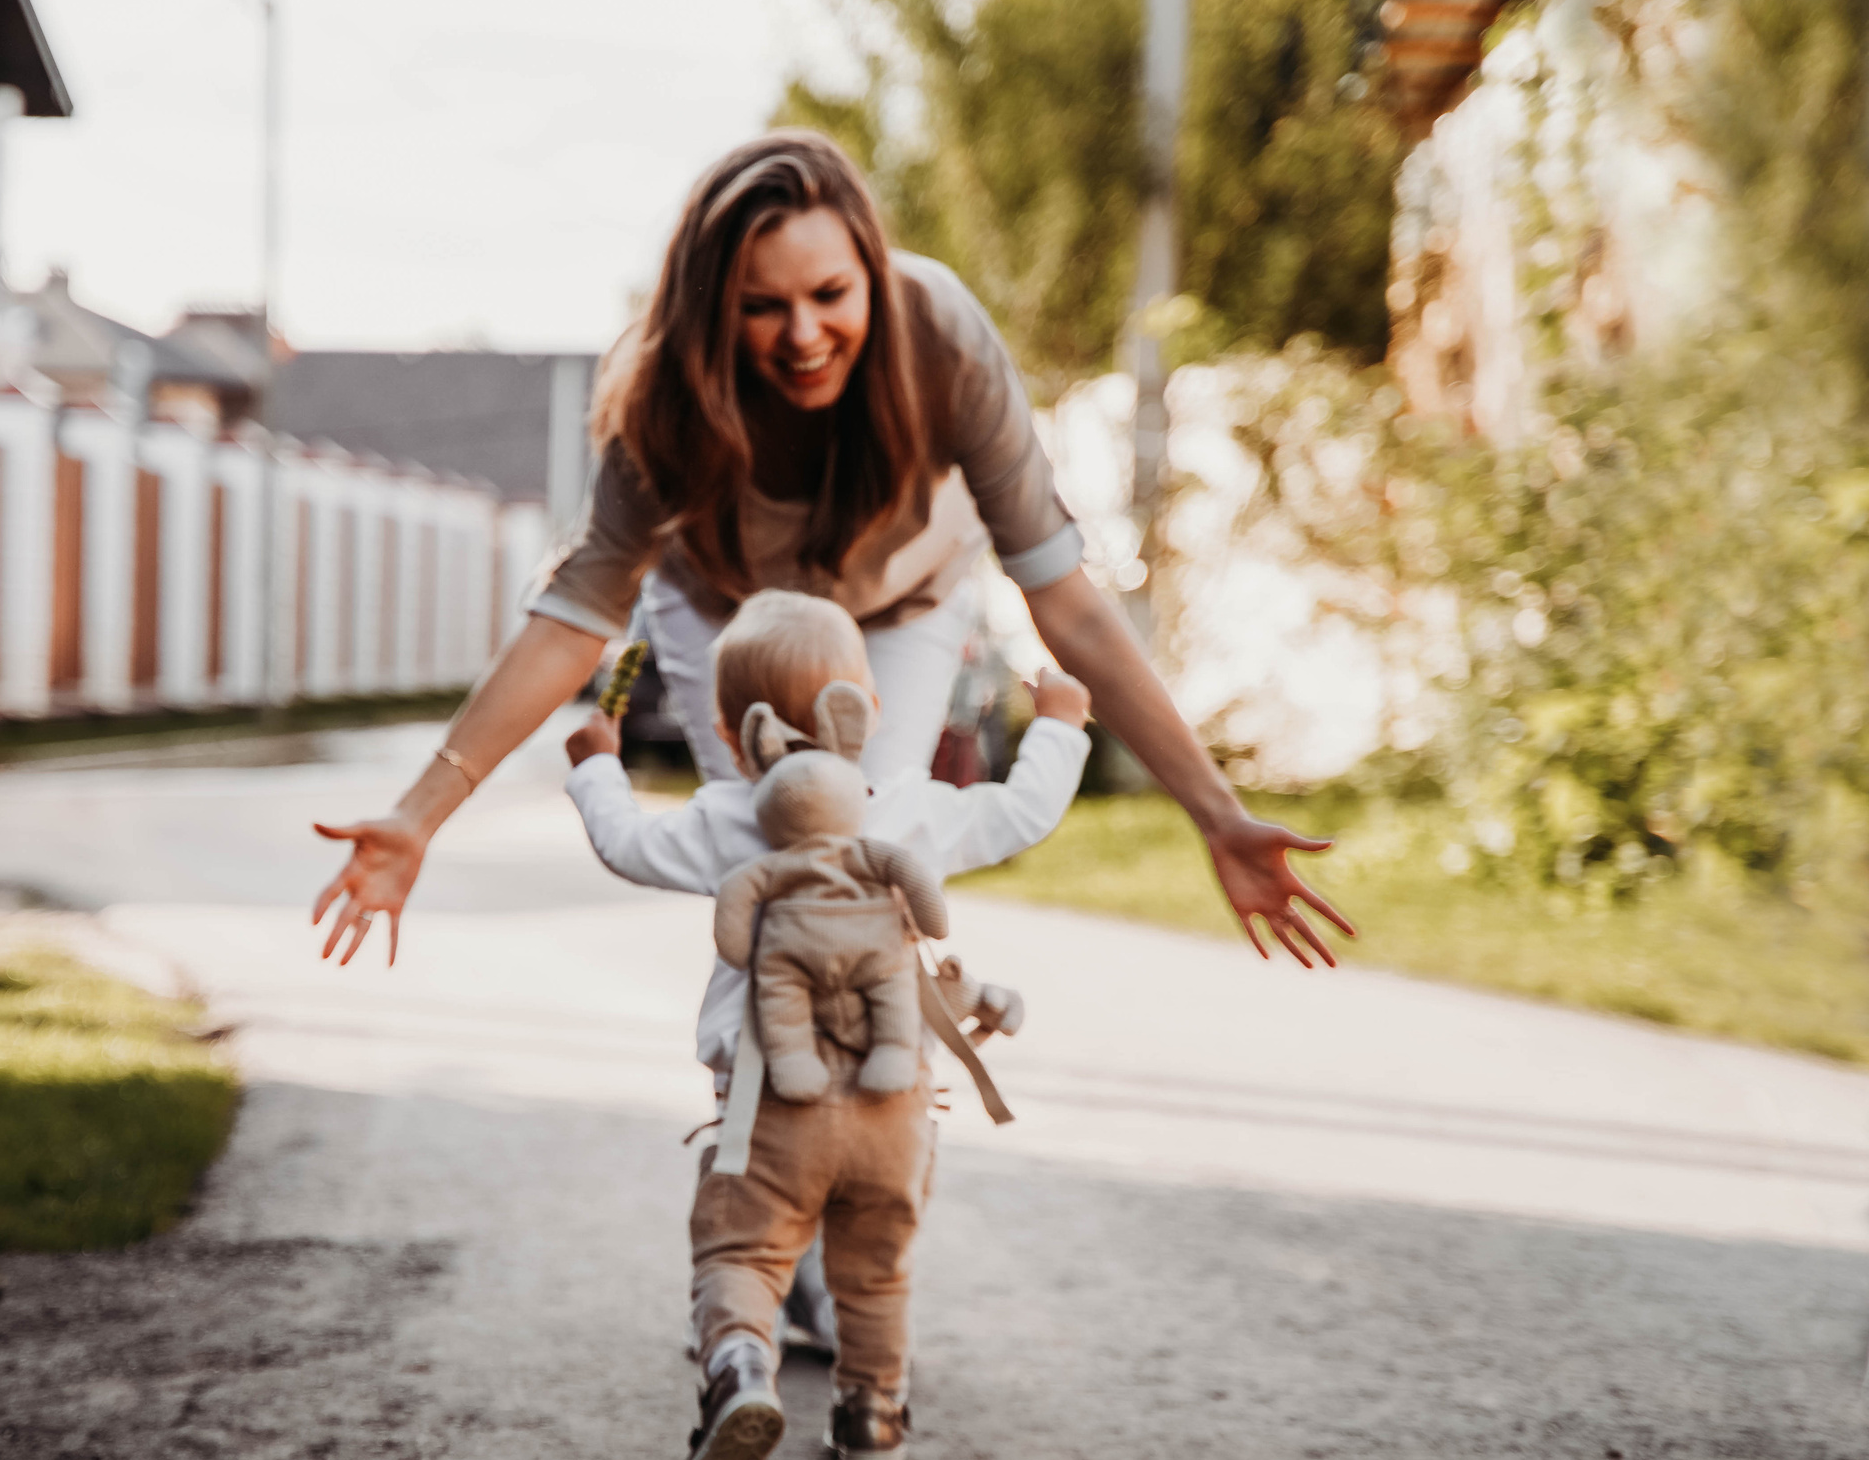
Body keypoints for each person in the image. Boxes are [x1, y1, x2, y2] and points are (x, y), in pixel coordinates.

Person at [309, 130, 1350, 977]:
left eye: (828, 296)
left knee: (869, 861)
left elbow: (1066, 606)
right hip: (723, 615)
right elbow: (574, 623)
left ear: (868, 271)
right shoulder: (659, 392)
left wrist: (1216, 813)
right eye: (760, 308)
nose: (802, 335)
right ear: (709, 311)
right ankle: (759, 1140)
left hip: (899, 609)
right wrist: (417, 818)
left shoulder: (941, 337)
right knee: (766, 854)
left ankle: (875, 1145)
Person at [561, 590, 1092, 1460]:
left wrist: (597, 766)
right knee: (875, 1270)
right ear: (870, 713)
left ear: (732, 732)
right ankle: (873, 1416)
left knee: (745, 1256)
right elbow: (1023, 812)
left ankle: (739, 1369)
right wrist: (1060, 724)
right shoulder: (915, 812)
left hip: (767, 1111)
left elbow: (625, 845)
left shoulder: (728, 816)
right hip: (894, 1109)